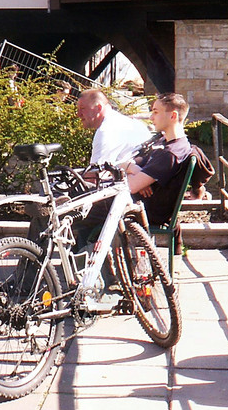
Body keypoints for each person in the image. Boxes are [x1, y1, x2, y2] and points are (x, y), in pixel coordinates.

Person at [77, 92, 203, 310]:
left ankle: (100, 287)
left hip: (140, 209)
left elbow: (131, 185)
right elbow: (126, 165)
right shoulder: (164, 143)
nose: (150, 116)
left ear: (173, 116)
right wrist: (134, 170)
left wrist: (132, 171)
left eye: (155, 112)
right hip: (137, 203)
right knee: (81, 210)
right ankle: (100, 281)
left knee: (77, 216)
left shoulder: (170, 153)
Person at [79, 88, 153, 167]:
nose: (78, 114)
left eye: (82, 108)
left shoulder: (107, 130)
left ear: (98, 108)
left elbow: (95, 175)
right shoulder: (123, 121)